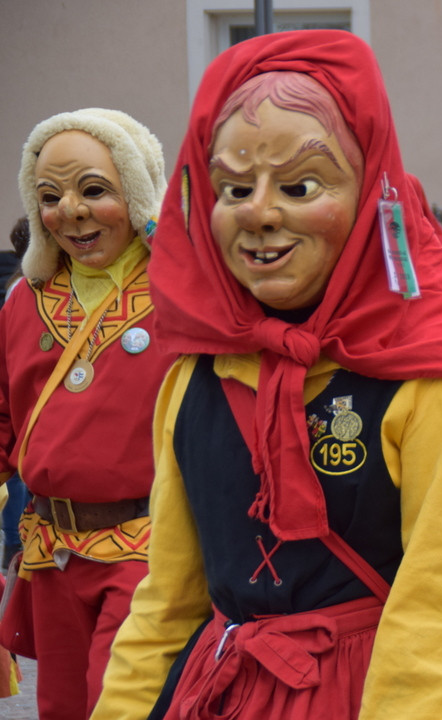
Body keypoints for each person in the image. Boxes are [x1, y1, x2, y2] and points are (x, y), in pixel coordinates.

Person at [89, 31, 442, 720]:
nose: (260, 212)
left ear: (369, 201)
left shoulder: (430, 382)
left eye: (299, 185)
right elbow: (167, 601)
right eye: (233, 187)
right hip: (218, 692)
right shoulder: (194, 378)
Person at [0, 108, 170, 719]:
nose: (70, 210)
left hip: (150, 550)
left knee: (118, 705)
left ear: (138, 190)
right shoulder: (25, 301)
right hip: (51, 554)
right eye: (50, 196)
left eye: (94, 190)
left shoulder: (184, 296)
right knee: (64, 708)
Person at [0, 218, 30, 569]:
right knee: (19, 475)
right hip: (21, 395)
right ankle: (13, 542)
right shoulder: (23, 289)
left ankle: (13, 541)